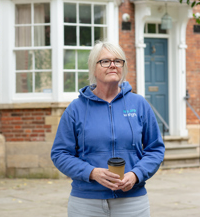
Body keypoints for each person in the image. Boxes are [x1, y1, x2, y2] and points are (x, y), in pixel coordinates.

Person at [51, 41, 165, 216]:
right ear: (93, 68)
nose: (112, 65)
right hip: (86, 203)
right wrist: (92, 173)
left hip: (132, 201)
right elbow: (60, 154)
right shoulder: (76, 109)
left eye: (118, 61)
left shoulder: (139, 104)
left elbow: (155, 149)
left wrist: (136, 175)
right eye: (105, 61)